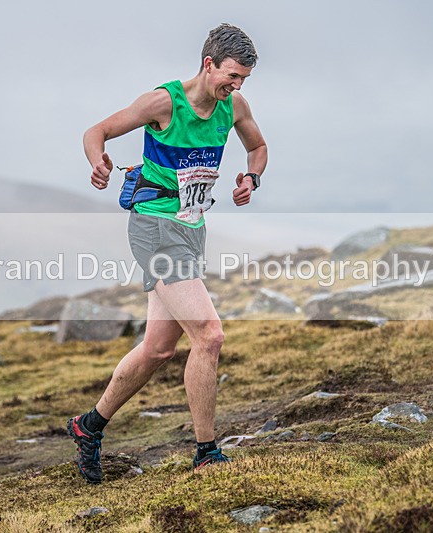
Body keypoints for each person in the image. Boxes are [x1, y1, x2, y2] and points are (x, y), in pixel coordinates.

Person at [68, 23, 267, 484]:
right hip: (154, 226)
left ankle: (89, 426)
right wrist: (97, 160)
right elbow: (97, 131)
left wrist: (250, 178)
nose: (235, 87)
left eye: (242, 81)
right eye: (231, 77)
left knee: (158, 349)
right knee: (210, 335)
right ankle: (205, 452)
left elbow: (257, 147)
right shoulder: (165, 102)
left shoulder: (233, 105)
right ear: (208, 63)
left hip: (192, 227)